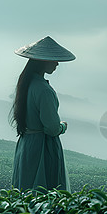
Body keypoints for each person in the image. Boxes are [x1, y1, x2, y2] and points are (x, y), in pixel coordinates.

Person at [10, 36, 75, 192]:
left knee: (24, 191)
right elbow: (51, 128)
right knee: (44, 194)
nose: (57, 63)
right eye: (54, 60)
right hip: (42, 148)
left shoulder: (27, 84)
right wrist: (62, 127)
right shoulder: (44, 90)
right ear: (43, 61)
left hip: (26, 146)